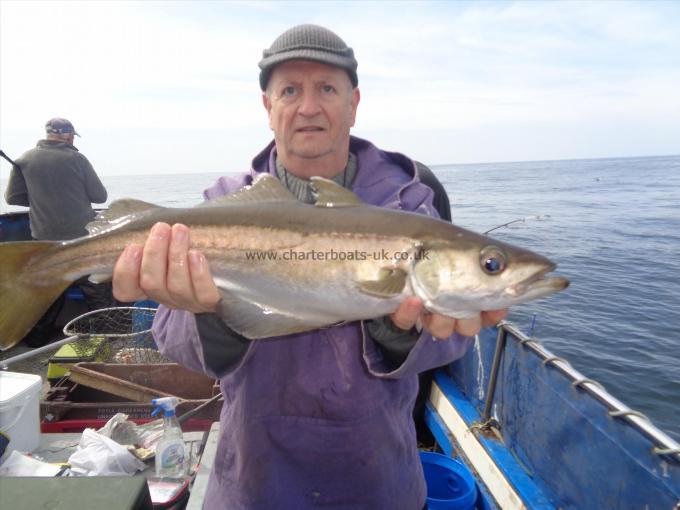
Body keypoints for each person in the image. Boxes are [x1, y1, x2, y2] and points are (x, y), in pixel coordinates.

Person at [112, 25, 507, 510]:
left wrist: (399, 330)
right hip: (255, 480)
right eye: (291, 90)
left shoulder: (410, 206)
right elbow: (174, 341)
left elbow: (451, 339)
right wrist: (209, 313)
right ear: (267, 105)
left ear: (353, 101)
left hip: (379, 478)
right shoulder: (220, 207)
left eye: (326, 88)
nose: (308, 107)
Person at [5, 118, 111, 345]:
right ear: (69, 136)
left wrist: (41, 199)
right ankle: (104, 334)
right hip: (80, 239)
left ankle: (36, 340)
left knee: (48, 292)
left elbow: (12, 198)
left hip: (43, 240)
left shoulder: (25, 160)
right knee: (95, 286)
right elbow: (100, 196)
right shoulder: (77, 159)